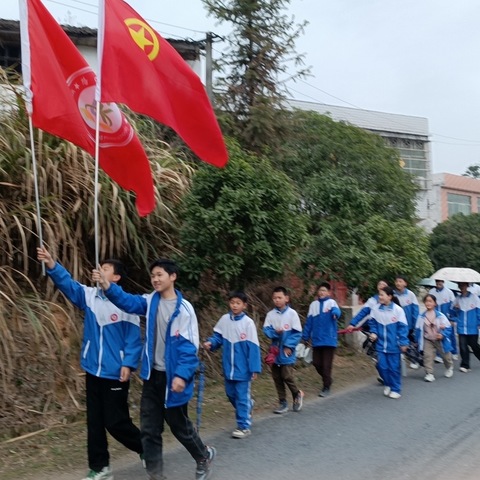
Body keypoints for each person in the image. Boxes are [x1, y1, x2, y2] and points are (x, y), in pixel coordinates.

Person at [92, 259, 215, 480]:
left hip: (174, 379)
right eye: (153, 276)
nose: (155, 279)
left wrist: (181, 375)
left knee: (179, 427)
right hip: (152, 376)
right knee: (149, 431)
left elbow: (189, 348)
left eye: (160, 274)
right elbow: (127, 302)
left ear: (172, 277)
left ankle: (203, 456)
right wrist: (107, 285)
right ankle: (156, 476)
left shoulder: (184, 310)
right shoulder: (150, 301)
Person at [37, 247, 143, 480]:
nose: (99, 271)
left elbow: (134, 340)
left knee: (116, 422)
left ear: (116, 277)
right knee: (94, 423)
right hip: (93, 370)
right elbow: (68, 285)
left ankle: (147, 448)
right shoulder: (89, 296)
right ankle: (100, 467)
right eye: (99, 267)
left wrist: (128, 363)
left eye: (105, 269)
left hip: (116, 373)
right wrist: (52, 263)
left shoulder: (127, 304)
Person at [204, 291, 261, 439]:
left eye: (238, 303)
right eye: (232, 302)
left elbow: (253, 347)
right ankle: (248, 406)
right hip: (228, 368)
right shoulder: (224, 320)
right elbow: (218, 337)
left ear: (244, 305)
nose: (235, 306)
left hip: (243, 369)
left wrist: (254, 368)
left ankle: (243, 426)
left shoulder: (248, 323)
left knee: (241, 397)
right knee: (230, 395)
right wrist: (211, 343)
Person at [262, 286, 304, 414]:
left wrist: (288, 346)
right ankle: (282, 402)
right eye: (274, 298)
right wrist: (275, 333)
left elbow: (297, 333)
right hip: (274, 352)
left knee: (287, 375)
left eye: (279, 297)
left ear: (286, 298)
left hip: (287, 351)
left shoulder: (292, 314)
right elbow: (266, 330)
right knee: (277, 377)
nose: (277, 300)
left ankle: (297, 394)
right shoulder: (270, 315)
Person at [368, 287, 409, 399]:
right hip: (380, 345)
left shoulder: (398, 310)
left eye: (382, 295)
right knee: (382, 366)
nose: (380, 297)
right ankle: (387, 383)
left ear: (389, 296)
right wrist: (374, 332)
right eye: (379, 295)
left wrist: (403, 342)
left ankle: (395, 389)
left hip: (394, 345)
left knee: (394, 368)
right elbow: (372, 323)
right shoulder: (375, 309)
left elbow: (403, 328)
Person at [302, 282, 342, 397]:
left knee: (326, 365)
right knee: (316, 363)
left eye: (324, 290)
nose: (321, 292)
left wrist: (335, 314)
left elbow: (337, 311)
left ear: (328, 292)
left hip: (329, 339)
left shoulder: (331, 303)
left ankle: (326, 386)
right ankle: (328, 379)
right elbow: (309, 322)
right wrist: (305, 336)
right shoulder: (313, 305)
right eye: (320, 290)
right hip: (317, 340)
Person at [415, 294, 454, 382]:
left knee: (445, 355)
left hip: (439, 339)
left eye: (430, 301)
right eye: (426, 301)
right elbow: (418, 329)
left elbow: (448, 327)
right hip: (427, 339)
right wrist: (417, 341)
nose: (428, 303)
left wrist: (442, 334)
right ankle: (429, 373)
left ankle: (449, 367)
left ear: (435, 303)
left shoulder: (440, 315)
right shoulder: (421, 316)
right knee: (427, 356)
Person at [450, 282, 480, 373]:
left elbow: (479, 311)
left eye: (463, 285)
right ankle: (465, 365)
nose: (461, 287)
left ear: (467, 286)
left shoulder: (474, 298)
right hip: (461, 327)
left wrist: (479, 322)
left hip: (472, 326)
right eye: (460, 285)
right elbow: (451, 313)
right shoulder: (457, 299)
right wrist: (455, 308)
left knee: (474, 345)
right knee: (463, 346)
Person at [394, 275, 420, 369]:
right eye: (396, 281)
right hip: (398, 325)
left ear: (405, 283)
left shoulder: (410, 294)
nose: (398, 283)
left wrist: (415, 324)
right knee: (400, 342)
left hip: (409, 325)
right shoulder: (392, 295)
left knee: (412, 343)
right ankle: (400, 362)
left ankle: (415, 360)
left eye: (400, 281)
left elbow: (415, 310)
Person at [429, 279, 457, 361]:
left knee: (450, 335)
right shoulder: (431, 292)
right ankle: (439, 355)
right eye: (437, 281)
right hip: (436, 318)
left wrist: (452, 319)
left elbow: (453, 307)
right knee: (437, 335)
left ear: (443, 282)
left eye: (440, 281)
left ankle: (454, 352)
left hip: (447, 319)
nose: (438, 283)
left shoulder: (449, 292)